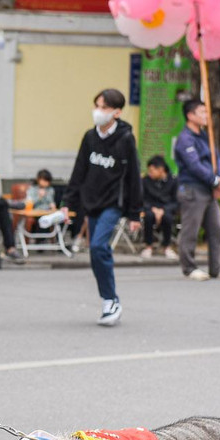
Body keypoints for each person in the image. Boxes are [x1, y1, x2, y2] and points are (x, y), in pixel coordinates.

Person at [65, 88, 142, 326]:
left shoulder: (126, 139)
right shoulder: (90, 137)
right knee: (97, 253)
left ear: (117, 112)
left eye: (104, 107)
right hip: (92, 201)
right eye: (97, 105)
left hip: (114, 202)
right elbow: (79, 171)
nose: (98, 111)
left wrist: (134, 212)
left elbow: (133, 177)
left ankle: (110, 300)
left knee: (98, 246)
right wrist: (69, 203)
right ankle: (109, 299)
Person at [173, 98, 220, 281]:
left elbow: (216, 159)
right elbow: (194, 165)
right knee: (190, 230)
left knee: (216, 229)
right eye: (202, 112)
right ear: (190, 115)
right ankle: (189, 267)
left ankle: (216, 268)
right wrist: (214, 180)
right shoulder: (185, 139)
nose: (206, 116)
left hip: (210, 189)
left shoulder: (205, 136)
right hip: (193, 189)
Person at [140, 155, 178, 260]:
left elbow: (175, 201)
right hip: (150, 208)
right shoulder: (146, 181)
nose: (150, 173)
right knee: (148, 216)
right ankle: (148, 246)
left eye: (152, 171)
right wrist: (152, 208)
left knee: (168, 217)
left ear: (161, 169)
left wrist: (163, 210)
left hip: (166, 208)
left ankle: (167, 246)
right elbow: (142, 199)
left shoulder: (173, 181)